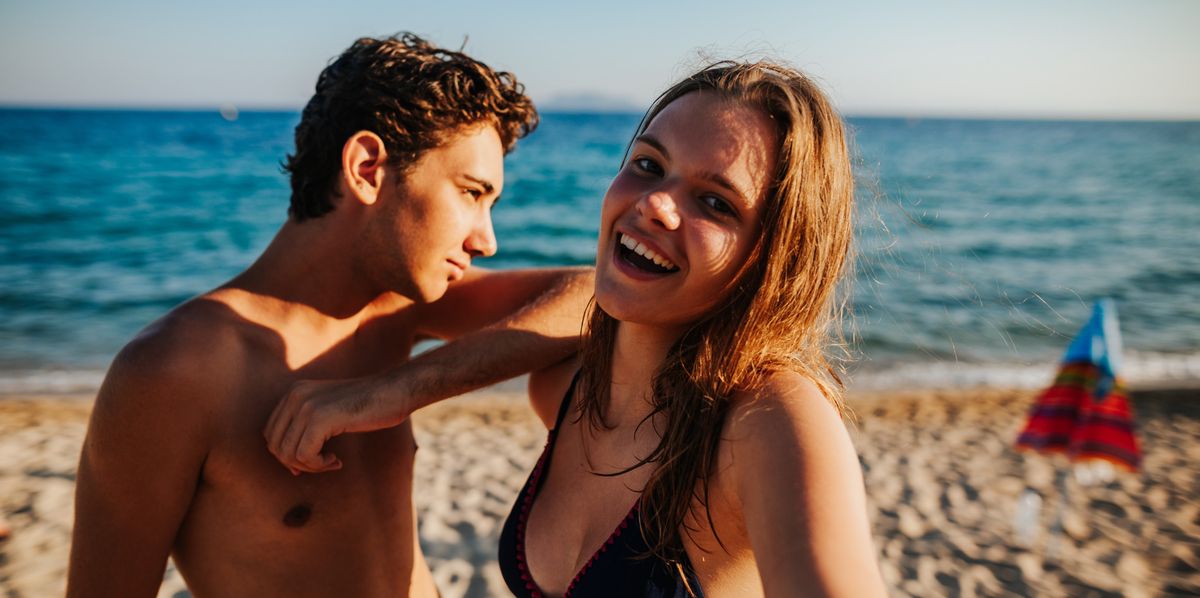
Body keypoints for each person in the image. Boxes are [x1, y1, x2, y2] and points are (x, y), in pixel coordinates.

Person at [269, 59, 885, 596]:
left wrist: (398, 390)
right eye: (648, 165)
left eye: (715, 202)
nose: (654, 203)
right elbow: (564, 296)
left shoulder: (766, 422)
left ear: (772, 257)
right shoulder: (566, 391)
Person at [67, 33, 592, 598]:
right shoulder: (175, 371)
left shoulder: (394, 310)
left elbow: (596, 297)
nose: (486, 239)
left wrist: (398, 389)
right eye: (471, 193)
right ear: (367, 168)